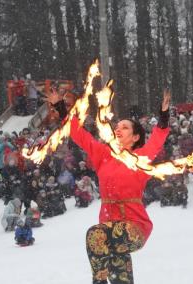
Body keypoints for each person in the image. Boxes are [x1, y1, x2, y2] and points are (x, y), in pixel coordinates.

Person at [69, 90, 170, 284]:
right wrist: (61, 109)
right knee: (119, 276)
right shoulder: (103, 155)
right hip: (108, 229)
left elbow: (157, 139)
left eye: (124, 127)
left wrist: (164, 115)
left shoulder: (140, 157)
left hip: (134, 227)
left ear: (134, 137)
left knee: (98, 234)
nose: (118, 129)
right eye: (118, 126)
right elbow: (79, 135)